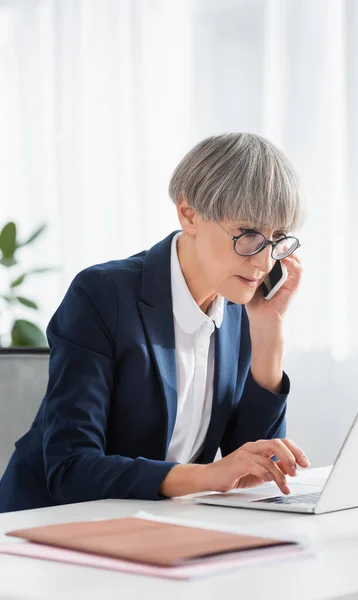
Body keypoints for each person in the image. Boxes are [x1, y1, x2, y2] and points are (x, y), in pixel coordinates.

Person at [0, 132, 310, 513]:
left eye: (277, 238)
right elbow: (71, 469)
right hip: (45, 525)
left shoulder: (239, 306)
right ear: (189, 213)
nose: (264, 262)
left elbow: (252, 468)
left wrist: (269, 334)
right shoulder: (102, 295)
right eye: (248, 234)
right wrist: (207, 475)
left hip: (152, 524)